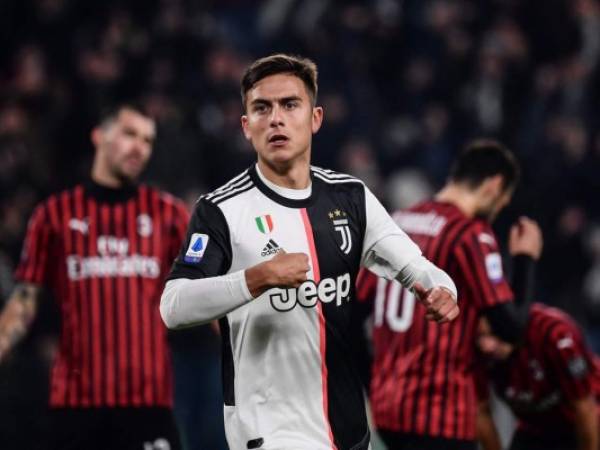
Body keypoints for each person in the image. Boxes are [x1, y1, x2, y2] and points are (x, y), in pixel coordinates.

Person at [160, 53, 459, 450]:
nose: (276, 119)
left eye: (290, 104)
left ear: (315, 118)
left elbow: (418, 267)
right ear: (247, 127)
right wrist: (256, 278)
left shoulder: (351, 197)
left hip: (348, 429)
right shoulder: (221, 210)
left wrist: (442, 289)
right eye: (262, 108)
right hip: (269, 432)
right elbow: (174, 306)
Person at [0, 103, 189, 450]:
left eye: (148, 140)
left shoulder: (170, 215)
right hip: (76, 404)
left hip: (147, 403)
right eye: (129, 134)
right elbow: (25, 300)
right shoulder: (53, 216)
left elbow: (206, 289)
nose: (139, 148)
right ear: (99, 136)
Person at [355, 140, 543, 450]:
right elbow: (510, 328)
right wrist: (525, 259)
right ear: (495, 186)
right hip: (439, 414)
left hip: (388, 411)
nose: (499, 209)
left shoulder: (398, 223)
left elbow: (352, 314)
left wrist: (371, 384)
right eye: (504, 200)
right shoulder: (470, 234)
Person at [475, 305, 600, 450]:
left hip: (583, 421)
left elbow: (585, 408)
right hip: (535, 427)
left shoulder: (554, 333)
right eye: (480, 336)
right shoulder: (476, 350)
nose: (486, 346)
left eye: (494, 334)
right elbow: (480, 412)